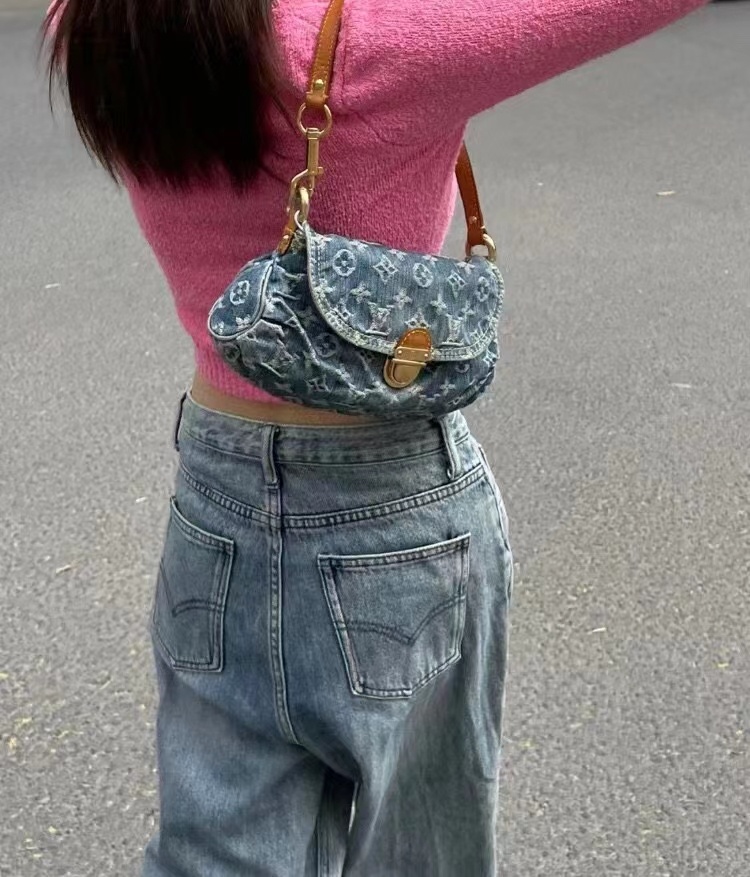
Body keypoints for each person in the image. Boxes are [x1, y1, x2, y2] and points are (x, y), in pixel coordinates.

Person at [43, 1, 707, 874]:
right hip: (392, 506)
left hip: (213, 494)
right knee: (421, 848)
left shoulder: (96, 26)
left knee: (213, 852)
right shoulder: (372, 45)